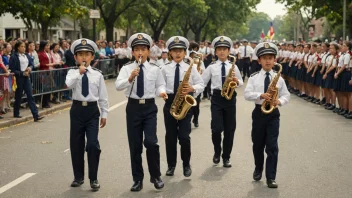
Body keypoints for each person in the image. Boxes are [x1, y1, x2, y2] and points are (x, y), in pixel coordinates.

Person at [115, 33, 166, 192]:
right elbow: (118, 86)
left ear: (149, 51)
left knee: (151, 142)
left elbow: (160, 85)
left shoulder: (155, 68)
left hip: (149, 108)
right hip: (133, 108)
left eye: (143, 49)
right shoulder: (126, 68)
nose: (140, 53)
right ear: (132, 52)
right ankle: (137, 179)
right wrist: (130, 78)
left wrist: (162, 92)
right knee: (135, 145)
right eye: (137, 49)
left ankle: (156, 175)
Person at [244, 42, 290, 188]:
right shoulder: (254, 77)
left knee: (272, 146)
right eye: (265, 58)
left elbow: (286, 95)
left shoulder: (279, 78)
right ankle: (258, 168)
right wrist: (260, 95)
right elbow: (247, 94)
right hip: (259, 112)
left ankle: (271, 177)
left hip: (273, 114)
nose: (268, 61)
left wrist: (279, 101)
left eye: (271, 58)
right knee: (258, 144)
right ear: (259, 61)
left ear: (275, 60)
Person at [65, 38, 109, 191]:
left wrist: (104, 113)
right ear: (76, 57)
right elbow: (68, 84)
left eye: (87, 54)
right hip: (77, 110)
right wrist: (79, 73)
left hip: (92, 111)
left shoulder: (97, 74)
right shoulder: (72, 72)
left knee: (92, 144)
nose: (84, 57)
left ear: (92, 57)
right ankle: (78, 177)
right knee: (76, 145)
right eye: (80, 54)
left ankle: (94, 177)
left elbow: (103, 96)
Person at [161, 36, 204, 177]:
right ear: (170, 53)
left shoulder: (190, 68)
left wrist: (192, 88)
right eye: (174, 51)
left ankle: (186, 164)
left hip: (185, 104)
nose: (178, 53)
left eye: (180, 50)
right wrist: (162, 93)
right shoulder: (164, 68)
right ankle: (171, 165)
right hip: (170, 103)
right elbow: (159, 85)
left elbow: (201, 84)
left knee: (184, 137)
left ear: (185, 52)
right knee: (170, 137)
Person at [202, 36, 243, 168]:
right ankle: (217, 151)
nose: (222, 52)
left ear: (229, 51)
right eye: (219, 49)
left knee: (229, 130)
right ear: (215, 51)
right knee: (216, 128)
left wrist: (236, 82)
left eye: (224, 49)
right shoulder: (211, 67)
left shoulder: (233, 66)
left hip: (230, 98)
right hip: (217, 98)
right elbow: (202, 82)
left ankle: (226, 157)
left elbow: (241, 82)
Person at [9, 40, 44, 122]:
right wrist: (22, 73)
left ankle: (36, 115)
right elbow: (12, 69)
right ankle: (16, 113)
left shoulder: (26, 55)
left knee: (30, 96)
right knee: (18, 96)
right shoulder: (14, 56)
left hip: (27, 77)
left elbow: (31, 64)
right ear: (18, 47)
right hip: (19, 78)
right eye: (22, 46)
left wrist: (30, 68)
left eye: (24, 46)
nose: (24, 48)